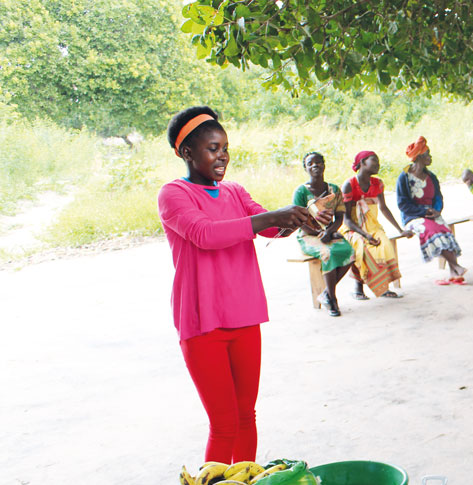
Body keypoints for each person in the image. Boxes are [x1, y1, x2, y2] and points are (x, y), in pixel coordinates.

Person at [157, 106, 312, 462]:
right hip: (203, 323)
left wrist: (304, 218)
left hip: (244, 316)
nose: (223, 155)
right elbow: (204, 234)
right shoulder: (173, 195)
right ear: (186, 153)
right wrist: (271, 218)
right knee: (224, 424)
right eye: (213, 148)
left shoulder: (234, 191)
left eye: (225, 147)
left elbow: (271, 226)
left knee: (246, 417)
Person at [396, 136, 467, 284]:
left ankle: (453, 272)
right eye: (428, 154)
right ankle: (455, 266)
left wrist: (436, 211)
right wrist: (423, 213)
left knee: (445, 229)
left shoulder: (431, 176)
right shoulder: (404, 177)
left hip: (431, 214)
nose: (430, 157)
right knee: (431, 230)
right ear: (420, 157)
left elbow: (438, 198)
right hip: (413, 217)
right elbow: (403, 205)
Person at [341, 151, 411, 300]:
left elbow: (384, 208)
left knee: (384, 245)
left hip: (373, 227)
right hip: (353, 228)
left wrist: (400, 230)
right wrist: (365, 234)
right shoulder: (349, 185)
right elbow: (346, 219)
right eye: (374, 161)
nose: (378, 165)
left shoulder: (377, 183)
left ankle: (382, 287)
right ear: (362, 163)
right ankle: (357, 288)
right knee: (361, 246)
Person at [293, 152, 354, 316]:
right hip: (308, 235)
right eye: (310, 163)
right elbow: (299, 222)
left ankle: (326, 293)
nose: (315, 165)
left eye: (318, 162)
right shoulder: (301, 192)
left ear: (324, 165)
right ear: (305, 168)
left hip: (328, 232)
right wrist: (319, 233)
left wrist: (329, 232)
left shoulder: (334, 189)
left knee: (350, 251)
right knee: (328, 252)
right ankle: (333, 300)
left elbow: (340, 217)